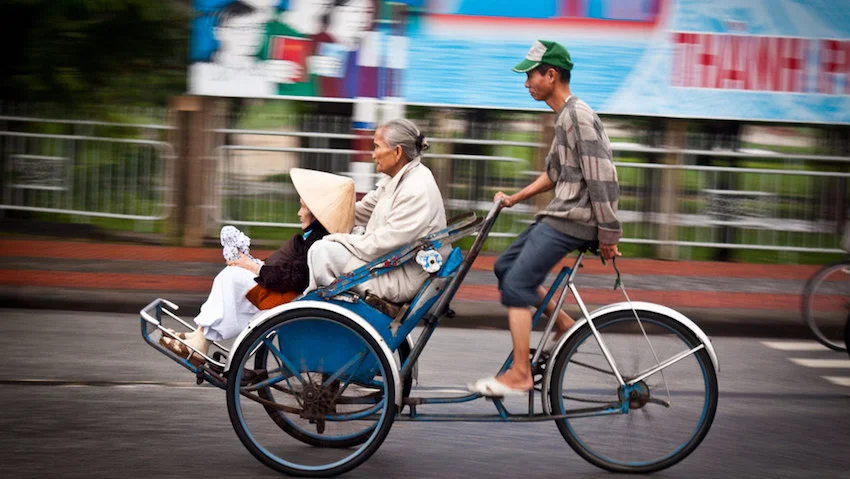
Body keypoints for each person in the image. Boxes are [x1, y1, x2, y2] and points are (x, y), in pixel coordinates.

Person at [468, 40, 622, 397]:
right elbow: (554, 173)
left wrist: (609, 234)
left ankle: (520, 373)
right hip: (560, 214)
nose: (526, 84)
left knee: (518, 286)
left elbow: (602, 176)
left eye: (531, 76)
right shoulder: (564, 117)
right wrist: (514, 198)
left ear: (551, 75)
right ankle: (565, 325)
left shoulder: (579, 116)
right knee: (506, 266)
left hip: (574, 219)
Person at [160, 169, 355, 365]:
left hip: (286, 295)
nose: (299, 213)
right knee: (234, 275)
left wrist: (255, 267)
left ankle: (201, 339)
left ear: (316, 214)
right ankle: (200, 335)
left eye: (303, 208)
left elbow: (294, 277)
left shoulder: (315, 244)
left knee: (231, 277)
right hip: (280, 285)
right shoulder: (313, 240)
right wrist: (254, 265)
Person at [305, 118, 448, 304]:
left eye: (376, 147)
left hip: (399, 278)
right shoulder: (398, 179)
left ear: (397, 152)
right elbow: (359, 211)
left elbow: (379, 245)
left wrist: (335, 238)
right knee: (323, 245)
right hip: (388, 266)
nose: (373, 155)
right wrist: (319, 211)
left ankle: (326, 309)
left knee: (322, 251)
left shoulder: (416, 189)